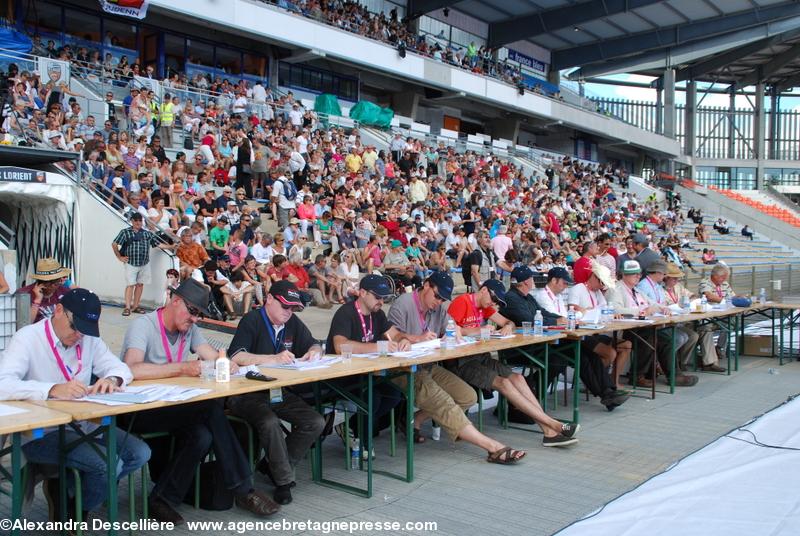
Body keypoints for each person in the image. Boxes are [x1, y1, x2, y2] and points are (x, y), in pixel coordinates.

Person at [121, 279, 280, 524]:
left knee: (203, 435)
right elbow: (133, 368)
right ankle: (243, 489)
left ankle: (161, 500)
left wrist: (226, 363)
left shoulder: (189, 328)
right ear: (175, 302)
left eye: (199, 314)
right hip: (140, 409)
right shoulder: (143, 326)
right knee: (210, 408)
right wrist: (183, 368)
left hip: (173, 406)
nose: (195, 319)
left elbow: (211, 355)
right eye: (192, 311)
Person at [0, 289, 151, 522]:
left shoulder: (88, 338)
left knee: (140, 453)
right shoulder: (28, 338)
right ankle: (75, 510)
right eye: (75, 327)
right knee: (109, 465)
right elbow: (3, 384)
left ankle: (70, 497)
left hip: (86, 425)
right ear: (59, 310)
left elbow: (121, 369)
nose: (80, 334)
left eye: (85, 329)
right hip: (44, 432)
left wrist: (111, 380)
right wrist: (50, 389)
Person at [386, 272, 528, 462]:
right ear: (426, 286)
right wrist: (416, 338)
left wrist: (455, 335)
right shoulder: (403, 304)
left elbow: (453, 329)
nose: (439, 302)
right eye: (437, 296)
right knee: (444, 403)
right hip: (402, 368)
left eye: (443, 299)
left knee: (467, 396)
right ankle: (493, 447)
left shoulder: (439, 309)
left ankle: (412, 419)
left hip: (428, 364)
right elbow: (392, 335)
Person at [447, 279, 578, 448]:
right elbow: (448, 330)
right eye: (493, 299)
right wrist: (476, 331)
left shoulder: (485, 307)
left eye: (496, 302)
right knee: (505, 383)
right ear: (484, 290)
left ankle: (548, 429)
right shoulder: (462, 301)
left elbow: (508, 322)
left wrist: (508, 326)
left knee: (518, 378)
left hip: (480, 356)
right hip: (460, 361)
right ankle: (552, 425)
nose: (493, 304)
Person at [227, 281, 325, 505]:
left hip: (276, 390)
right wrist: (272, 358)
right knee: (270, 422)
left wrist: (313, 352)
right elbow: (236, 356)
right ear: (269, 299)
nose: (288, 312)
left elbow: (314, 344)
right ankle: (283, 481)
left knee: (315, 421)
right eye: (284, 306)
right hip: (245, 393)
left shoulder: (292, 322)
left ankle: (273, 465)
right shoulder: (251, 320)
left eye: (292, 308)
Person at [325, 275, 407, 452]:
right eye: (378, 297)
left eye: (384, 298)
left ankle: (353, 427)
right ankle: (361, 440)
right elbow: (340, 346)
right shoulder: (345, 313)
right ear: (362, 293)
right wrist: (376, 347)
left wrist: (404, 340)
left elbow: (395, 334)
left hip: (366, 373)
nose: (381, 301)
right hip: (342, 375)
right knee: (373, 397)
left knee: (395, 395)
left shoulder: (378, 314)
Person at [606, 261, 698, 388]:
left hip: (640, 327)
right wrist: (641, 312)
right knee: (649, 336)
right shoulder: (616, 289)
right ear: (624, 275)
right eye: (634, 274)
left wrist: (663, 308)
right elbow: (615, 310)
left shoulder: (636, 290)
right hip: (624, 329)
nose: (638, 276)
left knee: (666, 339)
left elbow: (652, 303)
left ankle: (674, 375)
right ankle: (637, 376)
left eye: (639, 274)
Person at [662, 263, 723, 372]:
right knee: (692, 335)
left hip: (684, 320)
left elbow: (693, 295)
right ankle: (679, 363)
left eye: (678, 278)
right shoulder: (660, 290)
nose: (677, 281)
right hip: (669, 323)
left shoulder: (678, 286)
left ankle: (708, 362)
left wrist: (690, 301)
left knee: (705, 329)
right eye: (674, 278)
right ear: (666, 278)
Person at [111, 212, 174, 316]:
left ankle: (135, 306)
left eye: (140, 220)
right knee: (130, 285)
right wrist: (119, 257)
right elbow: (114, 244)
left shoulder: (146, 233)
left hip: (144, 263)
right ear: (132, 221)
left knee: (140, 285)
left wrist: (171, 247)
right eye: (136, 220)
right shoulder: (125, 232)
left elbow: (158, 244)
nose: (138, 222)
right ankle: (127, 307)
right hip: (130, 262)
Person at [698, 264, 736, 366]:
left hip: (722, 315)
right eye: (723, 277)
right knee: (706, 328)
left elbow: (732, 297)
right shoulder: (705, 282)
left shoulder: (725, 284)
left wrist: (739, 298)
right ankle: (711, 362)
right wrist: (725, 301)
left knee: (732, 323)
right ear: (715, 276)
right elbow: (709, 296)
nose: (724, 280)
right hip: (708, 316)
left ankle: (719, 348)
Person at [15, 257, 72, 323]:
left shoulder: (64, 291)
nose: (54, 286)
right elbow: (25, 324)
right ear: (42, 282)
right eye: (51, 282)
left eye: (57, 282)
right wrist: (37, 300)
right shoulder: (24, 294)